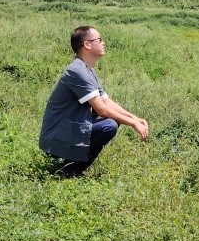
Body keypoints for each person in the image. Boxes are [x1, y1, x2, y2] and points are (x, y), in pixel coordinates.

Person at [39, 26, 149, 177]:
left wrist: (135, 118)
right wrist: (133, 124)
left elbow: (106, 102)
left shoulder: (87, 69)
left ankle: (70, 163)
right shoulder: (77, 71)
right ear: (87, 44)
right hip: (56, 138)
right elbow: (102, 109)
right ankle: (70, 171)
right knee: (108, 125)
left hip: (65, 131)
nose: (103, 43)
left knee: (112, 120)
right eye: (99, 39)